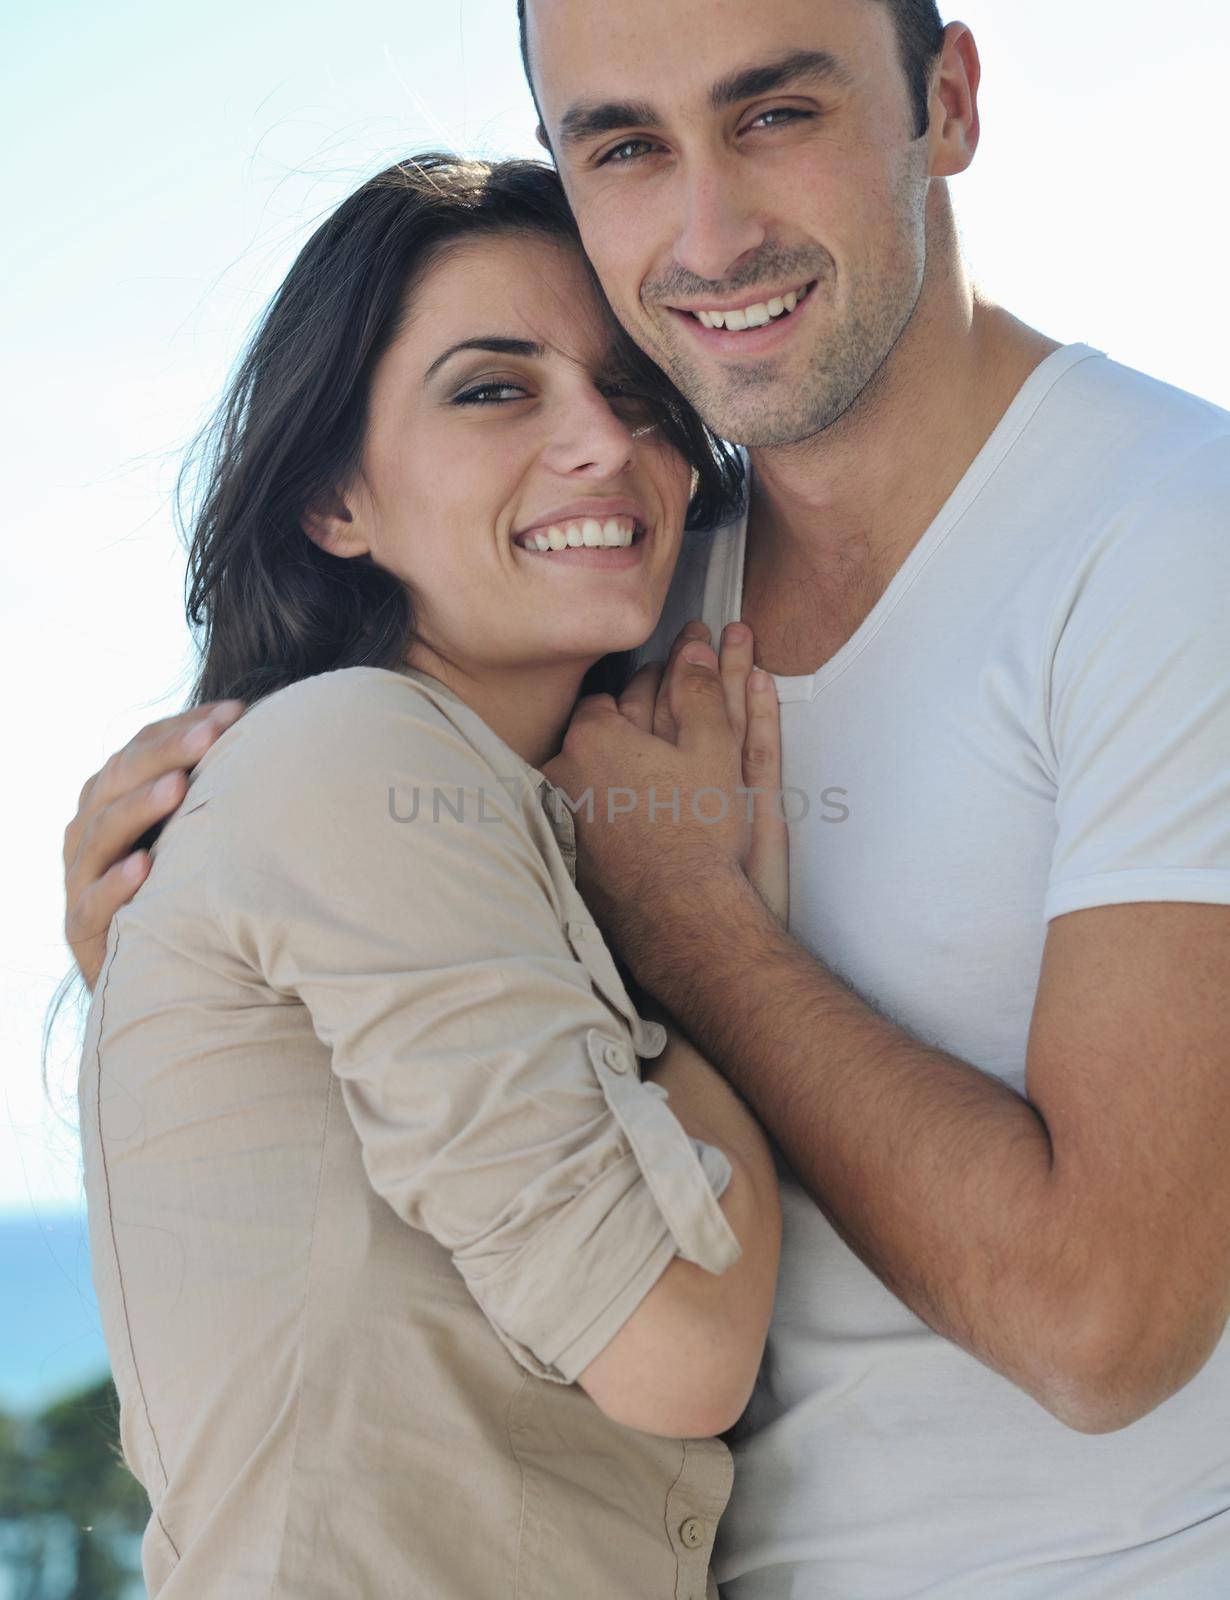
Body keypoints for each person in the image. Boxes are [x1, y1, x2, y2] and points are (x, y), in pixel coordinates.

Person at [65, 1, 1230, 1595]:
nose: (706, 228)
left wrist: (691, 921)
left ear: (944, 102)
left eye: (775, 115)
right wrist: (158, 941)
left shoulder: (1170, 541)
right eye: (622, 144)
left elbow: (1104, 1331)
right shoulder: (608, 609)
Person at [70, 151, 784, 1598]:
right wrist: (697, 922)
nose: (602, 440)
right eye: (492, 388)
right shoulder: (346, 754)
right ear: (335, 499)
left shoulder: (440, 814)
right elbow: (678, 1346)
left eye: (633, 386)